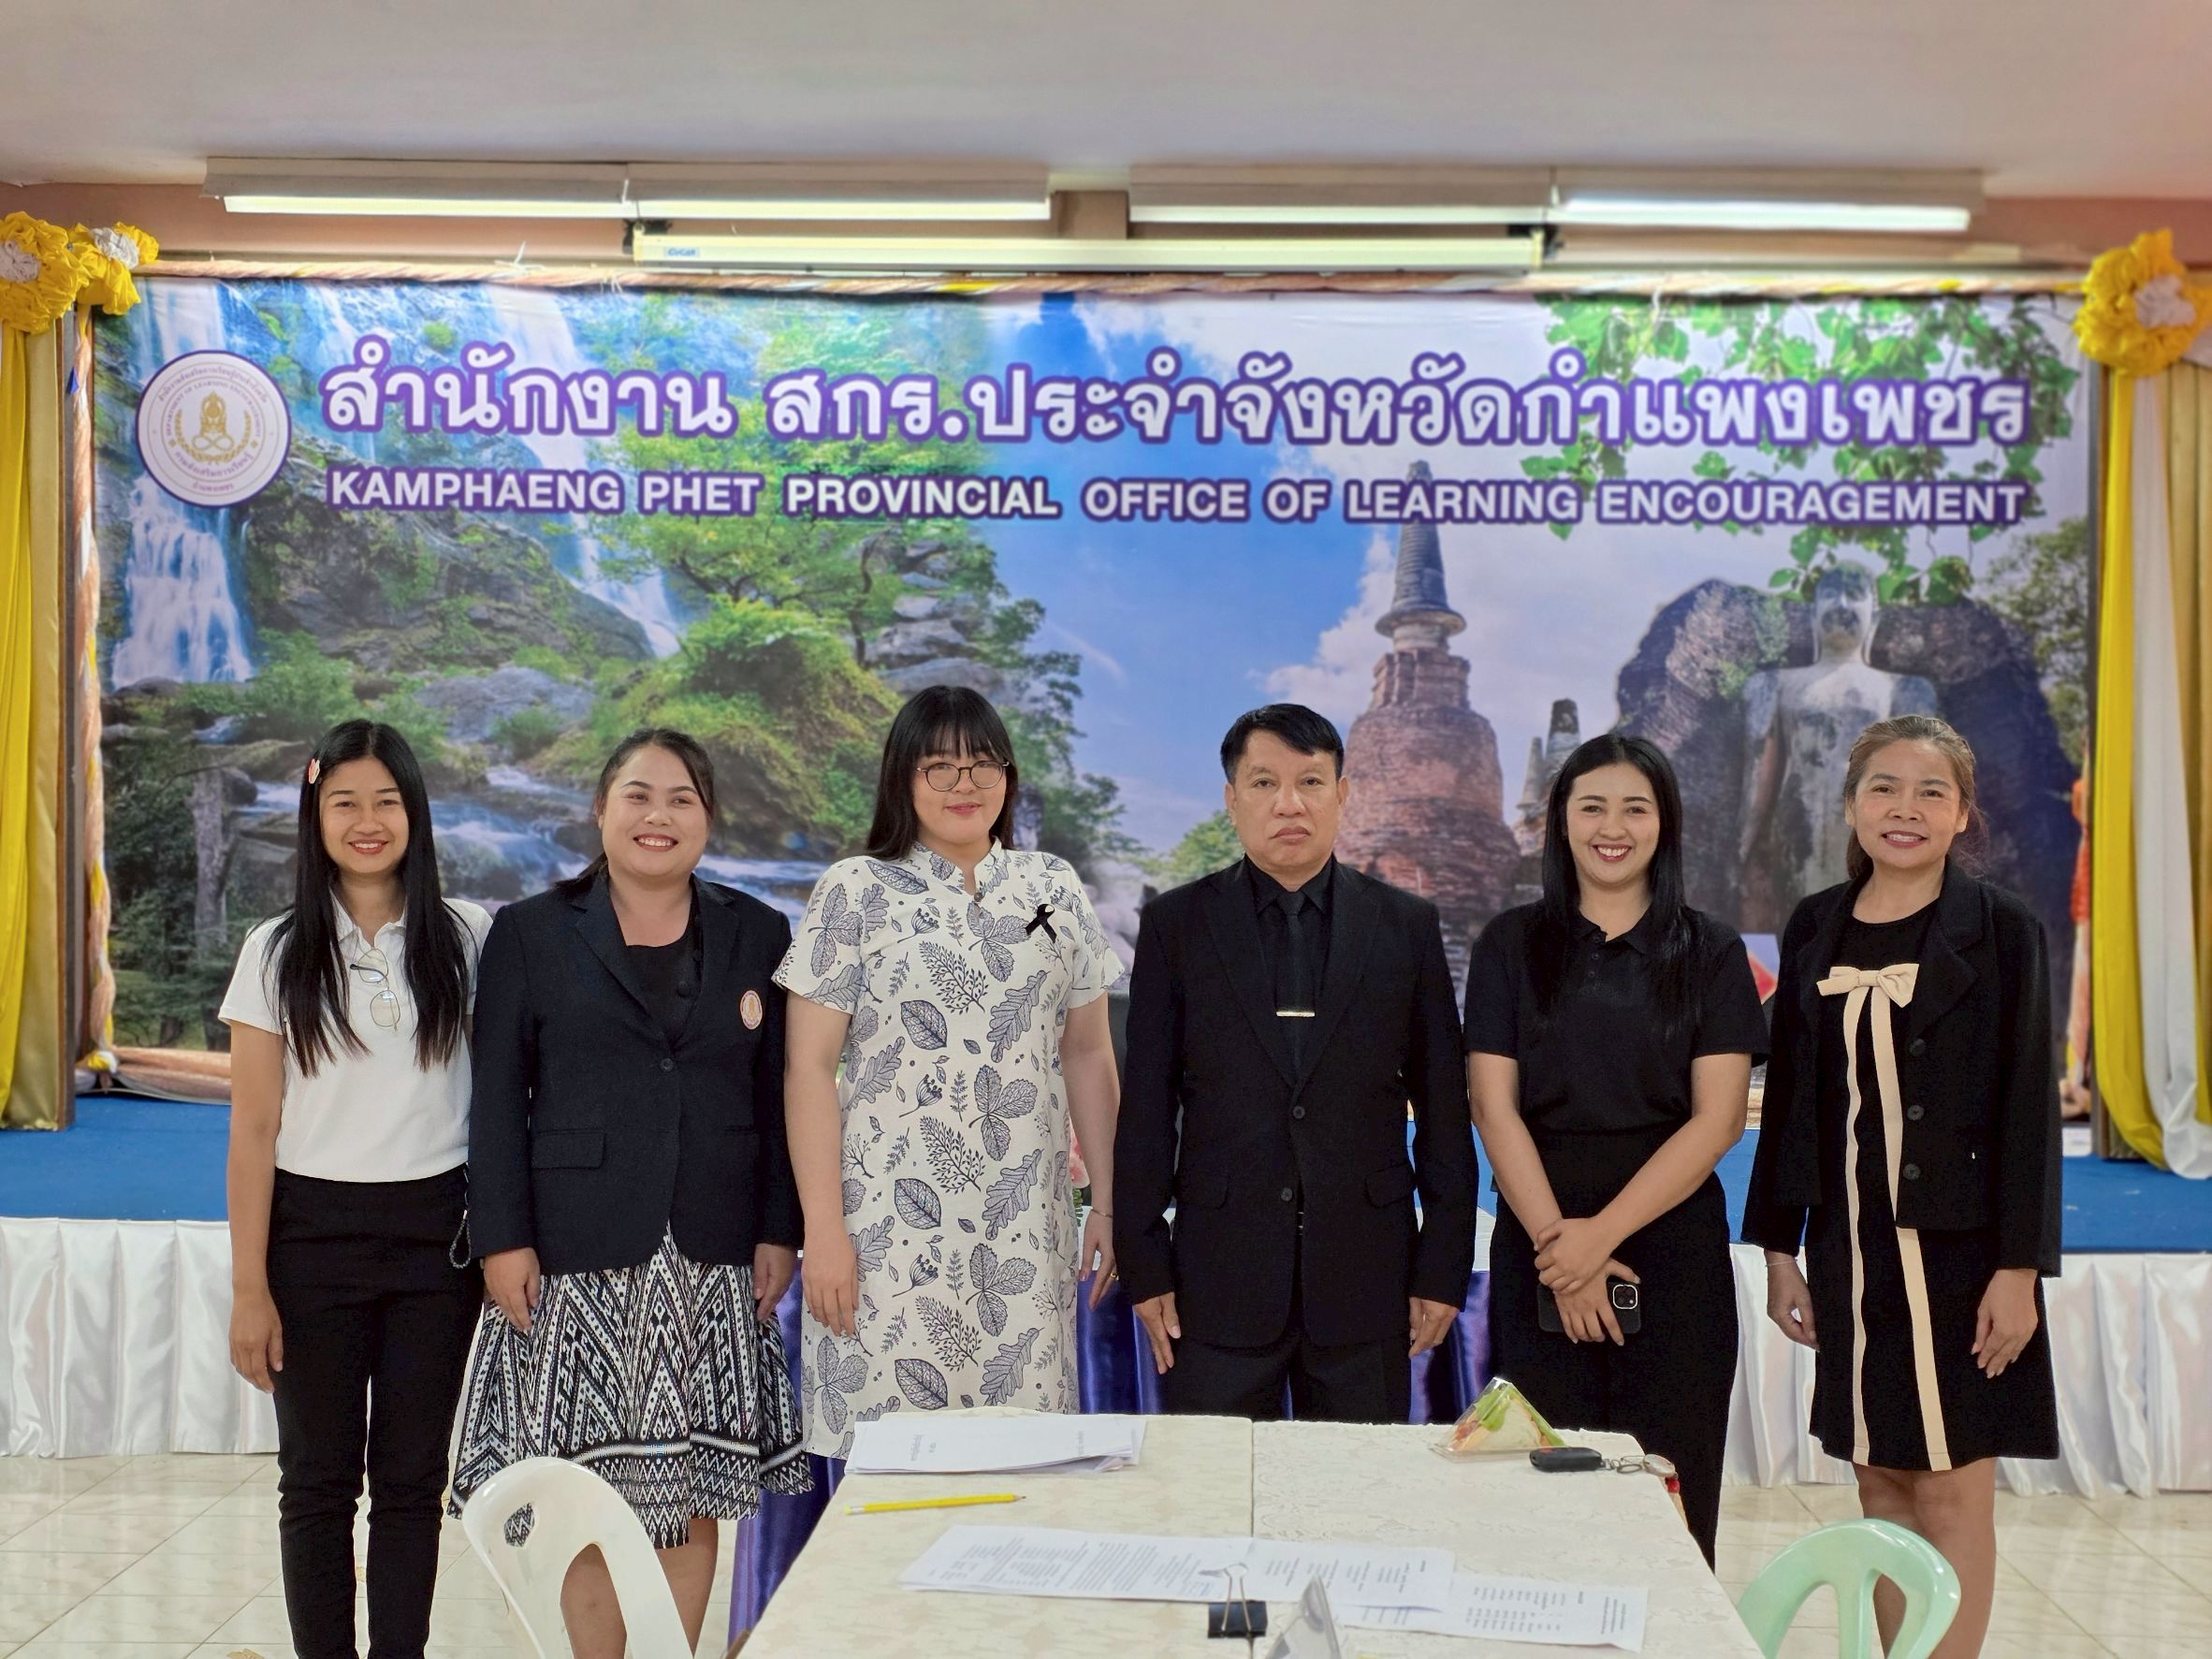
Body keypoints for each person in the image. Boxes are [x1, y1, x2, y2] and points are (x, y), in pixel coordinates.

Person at [449, 728, 808, 1659]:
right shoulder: (531, 931)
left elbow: (780, 1097)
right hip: (575, 1255)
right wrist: (501, 1238)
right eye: (638, 795)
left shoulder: (759, 932)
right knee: (583, 1497)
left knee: (688, 1498)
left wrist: (780, 1228)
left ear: (708, 818)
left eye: (682, 798)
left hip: (713, 1254)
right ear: (600, 811)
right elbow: (497, 1098)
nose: (659, 816)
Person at [1745, 714, 2059, 1659]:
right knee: (1879, 1481)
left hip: (1961, 1258)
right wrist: (1780, 1249)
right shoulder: (1816, 925)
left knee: (1954, 1489)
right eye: (1883, 787)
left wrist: (2020, 1269)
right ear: (1851, 806)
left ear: (1963, 813)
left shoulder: (2002, 929)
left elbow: (2028, 1110)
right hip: (1852, 1254)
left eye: (1932, 792)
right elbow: (1791, 1101)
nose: (1905, 808)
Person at [778, 686, 1124, 1454]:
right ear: (902, 776)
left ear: (1008, 776)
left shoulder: (1053, 887)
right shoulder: (854, 890)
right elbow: (808, 1068)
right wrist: (823, 1231)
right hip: (885, 1236)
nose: (964, 784)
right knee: (894, 1472)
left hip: (1026, 1233)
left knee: (1025, 1465)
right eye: (939, 766)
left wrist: (1106, 1200)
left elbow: (1088, 1052)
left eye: (983, 765)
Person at [1113, 703, 1476, 1422]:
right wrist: (1144, 1259)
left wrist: (1441, 1268)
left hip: (1366, 1279)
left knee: (1353, 1489)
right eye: (1264, 783)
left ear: (1342, 794)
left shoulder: (1405, 926)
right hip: (1216, 1281)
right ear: (1232, 799)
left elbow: (1443, 1106)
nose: (1289, 804)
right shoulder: (1177, 925)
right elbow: (1148, 1104)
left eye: (1310, 782)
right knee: (1214, 1486)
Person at [221, 720, 491, 1659]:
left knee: (412, 1483)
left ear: (415, 812)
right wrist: (249, 1288)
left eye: (386, 801)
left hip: (437, 1244)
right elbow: (253, 1131)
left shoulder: (467, 937)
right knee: (317, 1484)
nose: (366, 821)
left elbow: (504, 1099)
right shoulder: (274, 950)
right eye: (344, 802)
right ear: (315, 814)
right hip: (310, 1242)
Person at [1463, 734, 1766, 1565]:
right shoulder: (1509, 945)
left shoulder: (1711, 951)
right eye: (1592, 806)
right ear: (1560, 820)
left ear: (1664, 823)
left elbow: (1717, 1121)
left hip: (1672, 1253)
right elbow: (1493, 1105)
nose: (1613, 827)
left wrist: (1596, 1240)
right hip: (1540, 1243)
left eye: (1636, 807)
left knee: (1667, 1496)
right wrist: (1562, 1253)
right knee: (1545, 1504)